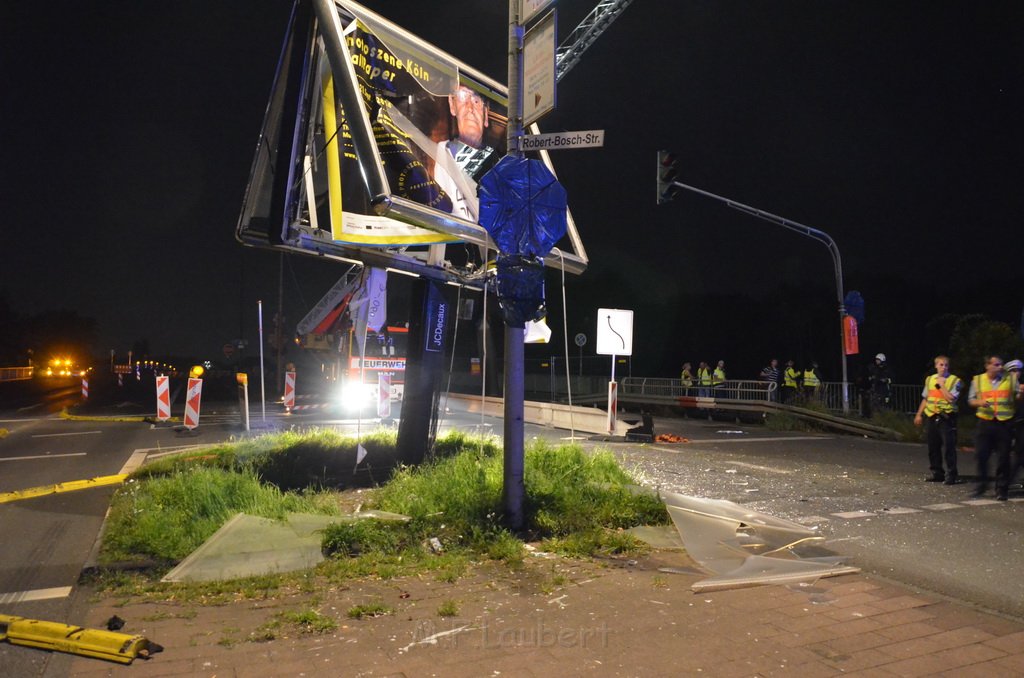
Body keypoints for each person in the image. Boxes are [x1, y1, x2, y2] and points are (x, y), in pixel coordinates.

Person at [967, 355, 1023, 500]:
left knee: (1003, 457)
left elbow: (1017, 397)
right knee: (981, 455)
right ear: (988, 366)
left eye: (1001, 365)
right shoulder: (978, 380)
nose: (1000, 367)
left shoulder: (1010, 379)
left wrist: (1019, 395)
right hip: (985, 422)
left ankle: (1001, 489)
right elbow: (971, 400)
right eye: (996, 365)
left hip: (1004, 423)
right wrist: (979, 402)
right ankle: (982, 484)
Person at [432, 84, 490, 222]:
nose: (470, 108)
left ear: (486, 116)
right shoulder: (442, 152)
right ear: (452, 106)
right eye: (463, 97)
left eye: (476, 101)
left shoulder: (498, 162)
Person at [913, 355, 962, 484]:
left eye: (946, 365)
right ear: (936, 366)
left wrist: (942, 386)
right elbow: (926, 398)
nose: (943, 367)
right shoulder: (930, 380)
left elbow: (951, 398)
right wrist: (919, 414)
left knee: (949, 447)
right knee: (933, 447)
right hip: (931, 415)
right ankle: (937, 472)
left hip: (946, 417)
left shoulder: (955, 380)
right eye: (941, 364)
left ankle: (951, 474)